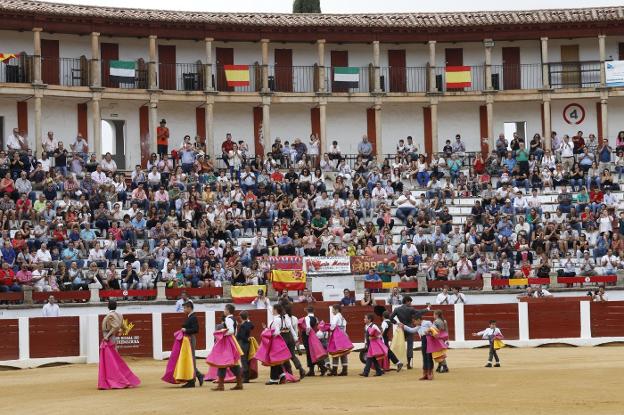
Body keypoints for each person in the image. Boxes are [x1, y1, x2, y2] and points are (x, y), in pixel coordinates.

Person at [98, 300, 141, 389]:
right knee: (115, 360)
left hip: (109, 338)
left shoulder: (110, 316)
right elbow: (123, 327)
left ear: (108, 306)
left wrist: (108, 336)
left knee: (112, 361)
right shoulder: (120, 315)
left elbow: (116, 326)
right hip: (112, 338)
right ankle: (119, 378)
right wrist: (122, 331)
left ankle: (119, 380)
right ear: (116, 306)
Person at [206, 304, 244, 391]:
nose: (224, 311)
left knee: (222, 362)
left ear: (228, 310)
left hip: (226, 342)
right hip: (232, 341)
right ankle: (239, 383)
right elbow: (235, 332)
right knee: (233, 363)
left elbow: (231, 331)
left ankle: (221, 385)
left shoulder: (228, 319)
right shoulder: (234, 319)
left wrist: (222, 332)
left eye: (224, 309)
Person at [255, 304, 292, 385]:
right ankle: (282, 376)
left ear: (275, 310)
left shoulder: (276, 319)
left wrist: (269, 333)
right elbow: (289, 327)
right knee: (277, 360)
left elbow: (277, 331)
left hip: (275, 341)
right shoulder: (284, 318)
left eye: (273, 309)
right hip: (282, 339)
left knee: (274, 360)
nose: (272, 310)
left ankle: (274, 379)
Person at [399, 310, 435, 380]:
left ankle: (430, 373)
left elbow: (434, 330)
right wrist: (403, 326)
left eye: (414, 321)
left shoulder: (428, 323)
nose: (414, 323)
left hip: (429, 341)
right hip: (423, 341)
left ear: (418, 320)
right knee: (424, 357)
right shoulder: (418, 326)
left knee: (429, 357)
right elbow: (412, 330)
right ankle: (425, 373)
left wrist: (430, 332)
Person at [180, 301, 204, 388]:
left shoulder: (193, 317)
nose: (184, 309)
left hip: (190, 338)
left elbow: (196, 329)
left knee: (191, 359)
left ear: (189, 308)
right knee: (189, 359)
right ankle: (197, 376)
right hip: (188, 339)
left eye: (185, 308)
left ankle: (192, 380)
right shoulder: (191, 317)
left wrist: (185, 330)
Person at [327, 304, 353, 376]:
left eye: (333, 310)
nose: (332, 311)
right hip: (343, 336)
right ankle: (345, 370)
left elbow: (332, 326)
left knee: (335, 353)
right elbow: (344, 327)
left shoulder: (336, 317)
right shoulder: (342, 317)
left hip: (337, 337)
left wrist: (330, 329)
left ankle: (334, 371)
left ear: (337, 310)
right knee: (343, 354)